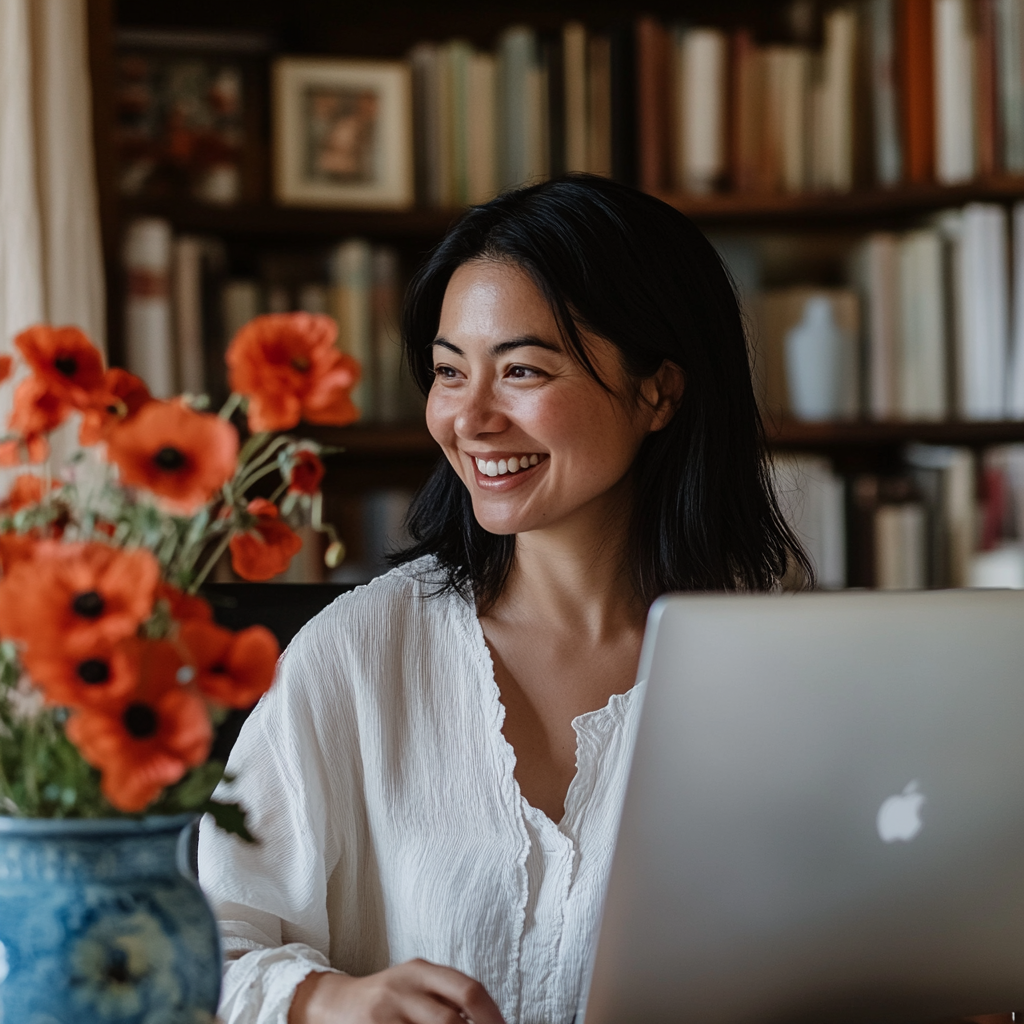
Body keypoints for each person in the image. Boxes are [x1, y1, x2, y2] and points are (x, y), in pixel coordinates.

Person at [198, 174, 811, 1024]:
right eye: (450, 373)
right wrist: (331, 1001)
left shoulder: (789, 675)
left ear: (659, 391)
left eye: (521, 369)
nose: (470, 418)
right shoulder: (359, 654)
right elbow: (201, 952)